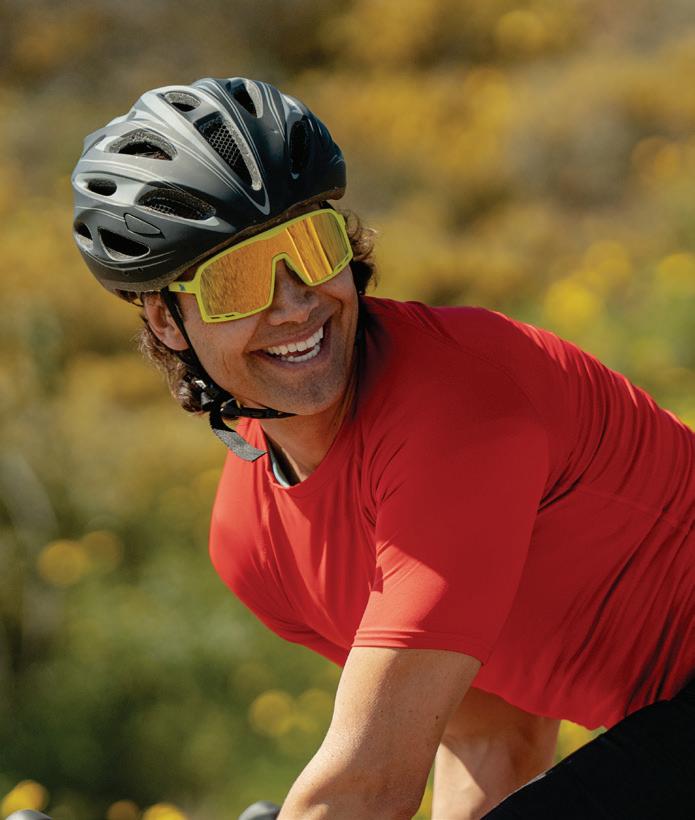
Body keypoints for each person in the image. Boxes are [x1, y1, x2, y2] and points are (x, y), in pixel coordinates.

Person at [72, 76, 695, 819]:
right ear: (165, 320)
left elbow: (368, 787)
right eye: (236, 280)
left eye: (310, 247)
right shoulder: (253, 547)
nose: (294, 303)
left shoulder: (456, 405)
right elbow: (496, 735)